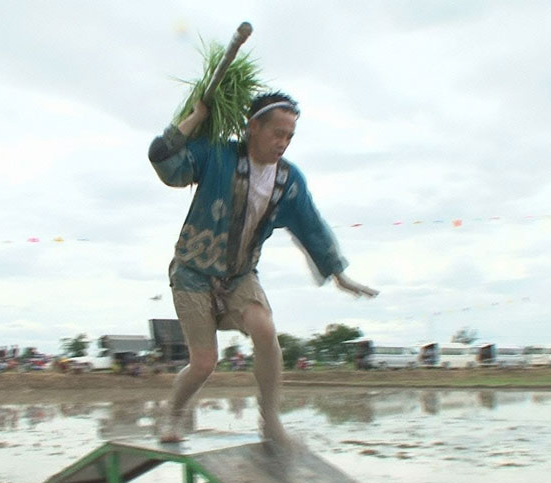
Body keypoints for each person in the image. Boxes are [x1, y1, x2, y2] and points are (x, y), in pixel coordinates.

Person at [148, 91, 378, 444]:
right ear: (253, 127)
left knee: (265, 329)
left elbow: (311, 225)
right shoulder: (218, 155)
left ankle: (270, 421)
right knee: (204, 363)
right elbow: (163, 159)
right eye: (277, 133)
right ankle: (175, 414)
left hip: (240, 275)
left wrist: (339, 274)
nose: (283, 143)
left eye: (289, 136)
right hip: (192, 273)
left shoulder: (288, 180)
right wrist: (196, 116)